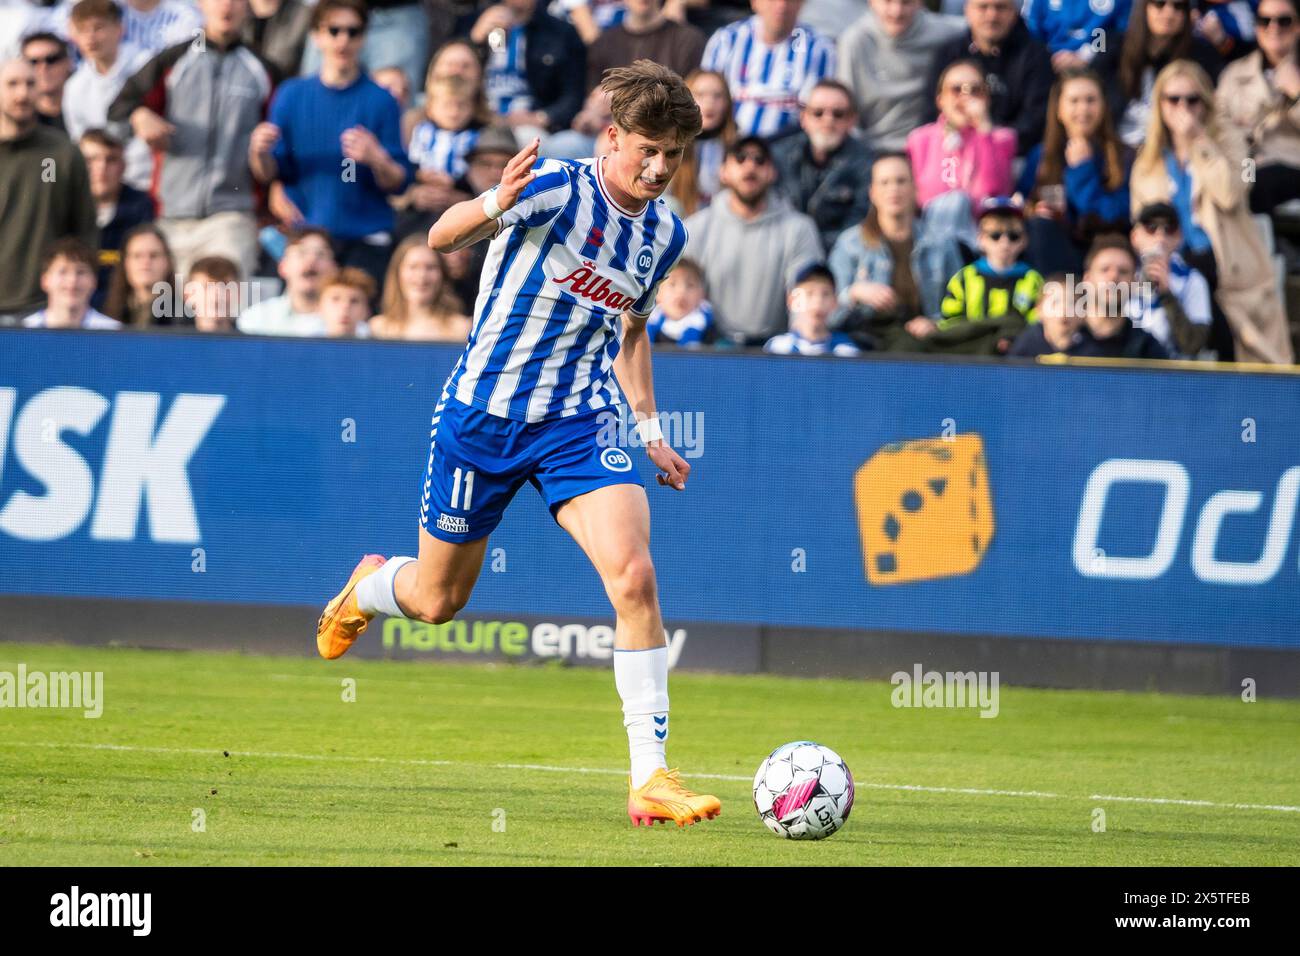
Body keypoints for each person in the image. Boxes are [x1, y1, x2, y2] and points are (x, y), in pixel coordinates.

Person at [315, 61, 723, 827]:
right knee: (437, 602)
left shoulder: (665, 235)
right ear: (611, 137)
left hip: (580, 420)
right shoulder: (554, 189)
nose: (661, 167)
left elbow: (631, 330)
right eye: (648, 148)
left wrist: (649, 431)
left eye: (675, 153)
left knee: (634, 577)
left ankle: (651, 777)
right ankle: (371, 585)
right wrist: (495, 202)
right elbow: (439, 238)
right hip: (484, 415)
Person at [1130, 59, 1294, 363]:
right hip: (1173, 267)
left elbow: (1231, 194)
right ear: (1160, 105)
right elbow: (1142, 227)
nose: (1183, 108)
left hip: (1227, 266)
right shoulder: (1147, 160)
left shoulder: (1229, 140)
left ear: (1205, 103)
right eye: (1173, 99)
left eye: (1192, 100)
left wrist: (1199, 143)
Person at [108, 0, 275, 279]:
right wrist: (138, 116)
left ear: (248, 6)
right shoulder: (173, 60)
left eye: (236, 0)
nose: (227, 7)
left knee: (219, 305)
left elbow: (282, 141)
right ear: (201, 4)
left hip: (231, 216)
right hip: (170, 214)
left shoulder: (263, 70)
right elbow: (116, 113)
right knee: (165, 312)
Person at [250, 0, 412, 285]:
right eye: (334, 30)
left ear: (364, 37)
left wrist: (377, 158)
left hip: (364, 241)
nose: (343, 40)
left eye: (353, 31)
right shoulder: (291, 94)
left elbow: (399, 182)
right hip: (303, 239)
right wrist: (258, 151)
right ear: (316, 36)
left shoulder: (382, 100)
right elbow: (269, 172)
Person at [684, 134, 823, 345]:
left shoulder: (799, 229)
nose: (750, 167)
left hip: (776, 349)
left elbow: (806, 293)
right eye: (740, 158)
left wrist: (799, 344)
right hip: (711, 348)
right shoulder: (695, 228)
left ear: (772, 172)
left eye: (760, 160)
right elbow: (678, 293)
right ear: (723, 172)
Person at [828, 152, 964, 350]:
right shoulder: (849, 244)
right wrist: (854, 292)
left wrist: (935, 325)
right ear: (872, 192)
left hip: (927, 348)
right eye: (884, 182)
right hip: (864, 345)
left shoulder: (942, 244)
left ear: (915, 188)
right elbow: (827, 314)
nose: (893, 189)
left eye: (901, 181)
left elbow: (960, 309)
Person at [0, 57, 98, 323]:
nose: (22, 94)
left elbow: (84, 230)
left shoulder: (62, 153)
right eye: (12, 84)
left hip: (44, 310)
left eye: (30, 84)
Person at [1015, 67, 1132, 274]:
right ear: (1059, 109)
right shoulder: (1040, 155)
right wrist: (1032, 210)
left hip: (1104, 254)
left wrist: (1082, 170)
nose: (1083, 109)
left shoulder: (1124, 155)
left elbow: (1116, 216)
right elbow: (1021, 203)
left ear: (1103, 106)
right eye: (1074, 101)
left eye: (1090, 100)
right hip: (1054, 251)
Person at [922, 0, 1054, 156]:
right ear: (967, 11)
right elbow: (931, 112)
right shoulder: (948, 54)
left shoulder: (1036, 56)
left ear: (1014, 12)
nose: (992, 15)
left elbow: (1035, 120)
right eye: (983, 7)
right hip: (952, 150)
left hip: (1015, 156)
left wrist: (993, 143)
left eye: (1000, 7)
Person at [917, 196, 1044, 354]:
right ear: (981, 240)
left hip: (1015, 355)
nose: (1004, 243)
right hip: (971, 355)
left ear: (1024, 241)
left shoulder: (1033, 280)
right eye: (995, 235)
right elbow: (950, 321)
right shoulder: (964, 278)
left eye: (1013, 236)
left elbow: (1037, 322)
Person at [837, 0, 966, 152]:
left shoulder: (947, 34)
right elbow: (846, 108)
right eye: (887, 2)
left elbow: (980, 23)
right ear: (871, 2)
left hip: (929, 148)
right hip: (871, 150)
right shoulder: (854, 42)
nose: (897, 11)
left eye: (906, 2)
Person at [1093, 0, 1223, 149]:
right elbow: (1091, 89)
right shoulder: (1113, 46)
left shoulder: (1203, 54)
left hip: (1173, 149)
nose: (1169, 13)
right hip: (1114, 149)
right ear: (1144, 8)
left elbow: (1218, 103)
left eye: (1178, 6)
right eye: (1159, 4)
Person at [701, 0, 836, 139]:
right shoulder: (725, 41)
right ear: (754, 2)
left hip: (788, 150)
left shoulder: (819, 50)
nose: (781, 6)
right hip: (728, 146)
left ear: (802, 3)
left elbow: (821, 112)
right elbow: (702, 100)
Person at [1215, 0, 1300, 213]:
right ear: (1256, 26)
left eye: (1284, 21)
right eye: (1265, 21)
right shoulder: (1236, 73)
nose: (1274, 28)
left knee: (1258, 185)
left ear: (1298, 26)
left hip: (1293, 162)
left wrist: (1297, 92)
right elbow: (1218, 125)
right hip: (1248, 162)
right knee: (1234, 185)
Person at [770, 79, 872, 253]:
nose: (828, 120)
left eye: (838, 114)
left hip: (839, 256)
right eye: (818, 113)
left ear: (852, 120)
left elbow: (858, 224)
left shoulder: (866, 163)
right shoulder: (778, 156)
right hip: (781, 252)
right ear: (804, 118)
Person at [907, 60, 1016, 217]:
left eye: (975, 90)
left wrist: (985, 132)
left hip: (983, 232)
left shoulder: (1003, 138)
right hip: (933, 231)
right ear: (940, 100)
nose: (965, 97)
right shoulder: (919, 140)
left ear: (986, 99)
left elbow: (995, 190)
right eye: (956, 89)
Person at [63, 0, 152, 188]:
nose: (91, 37)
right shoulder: (75, 87)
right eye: (82, 30)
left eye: (98, 27)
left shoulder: (147, 66)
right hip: (101, 185)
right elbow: (81, 143)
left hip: (147, 178)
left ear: (119, 29)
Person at [470, 0, 587, 136]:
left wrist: (542, 118)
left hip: (530, 123)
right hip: (478, 119)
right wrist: (475, 41)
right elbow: (451, 76)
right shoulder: (473, 21)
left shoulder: (560, 33)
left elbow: (573, 94)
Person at [80, 128, 155, 306]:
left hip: (124, 305)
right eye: (90, 160)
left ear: (124, 166)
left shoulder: (141, 205)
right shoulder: (63, 203)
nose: (101, 168)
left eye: (111, 160)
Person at [1128, 201, 1212, 355]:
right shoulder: (1122, 274)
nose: (1160, 236)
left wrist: (1167, 294)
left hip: (1173, 374)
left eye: (1169, 228)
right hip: (1128, 371)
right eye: (1151, 228)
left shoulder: (1193, 281)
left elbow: (1193, 345)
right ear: (1135, 236)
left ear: (1179, 237)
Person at [1068, 234, 1171, 358]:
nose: (1113, 277)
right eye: (1105, 270)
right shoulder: (1061, 337)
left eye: (1123, 271)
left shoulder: (1146, 348)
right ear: (1087, 279)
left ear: (1134, 283)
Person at [586, 0, 706, 92]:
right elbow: (594, 94)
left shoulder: (688, 39)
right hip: (614, 120)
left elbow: (689, 97)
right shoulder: (603, 43)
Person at [369, 235, 472, 341]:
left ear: (442, 274)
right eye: (413, 267)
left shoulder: (462, 329)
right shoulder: (376, 329)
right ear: (397, 273)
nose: (421, 276)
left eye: (430, 267)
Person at [237, 227, 335, 336]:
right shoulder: (256, 319)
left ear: (334, 268)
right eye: (302, 253)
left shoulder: (350, 325)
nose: (311, 260)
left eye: (320, 254)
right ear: (283, 266)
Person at [664, 69, 734, 217]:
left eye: (718, 96)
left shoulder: (739, 146)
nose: (710, 102)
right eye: (700, 95)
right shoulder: (668, 143)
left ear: (727, 102)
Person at [21, 238, 121, 330]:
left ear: (94, 281)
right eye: (63, 271)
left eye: (81, 272)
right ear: (45, 281)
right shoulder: (21, 332)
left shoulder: (114, 333)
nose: (72, 280)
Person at [765, 263, 860, 354]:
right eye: (809, 293)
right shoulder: (777, 348)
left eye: (825, 294)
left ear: (834, 302)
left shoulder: (845, 350)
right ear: (793, 300)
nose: (818, 301)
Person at [101, 223, 179, 327]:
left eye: (154, 255)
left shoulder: (184, 318)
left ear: (167, 262)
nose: (146, 262)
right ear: (125, 263)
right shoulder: (104, 317)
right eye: (137, 256)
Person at [1023, 0, 1132, 71]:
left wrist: (1087, 56)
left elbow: (1119, 33)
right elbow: (1032, 32)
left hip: (1100, 65)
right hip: (1049, 66)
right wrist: (1052, 58)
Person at [1008, 272, 1083, 356]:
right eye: (1055, 303)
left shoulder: (1093, 349)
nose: (1064, 310)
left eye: (1072, 303)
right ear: (1039, 310)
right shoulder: (1024, 347)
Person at [646, 256, 714, 346]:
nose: (681, 292)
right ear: (657, 293)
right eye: (672, 284)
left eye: (690, 285)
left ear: (702, 295)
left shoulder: (709, 331)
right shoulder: (647, 325)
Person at [20, 32, 70, 131]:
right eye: (33, 62)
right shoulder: (16, 121)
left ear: (68, 63)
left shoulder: (90, 110)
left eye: (51, 59)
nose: (43, 68)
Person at [184, 255, 242, 333]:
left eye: (224, 286)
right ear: (189, 295)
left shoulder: (252, 341)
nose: (216, 295)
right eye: (206, 287)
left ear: (238, 293)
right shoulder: (171, 339)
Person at [318, 267, 375, 338]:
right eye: (336, 299)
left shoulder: (379, 341)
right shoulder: (304, 339)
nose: (345, 306)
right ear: (320, 306)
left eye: (354, 301)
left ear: (366, 310)